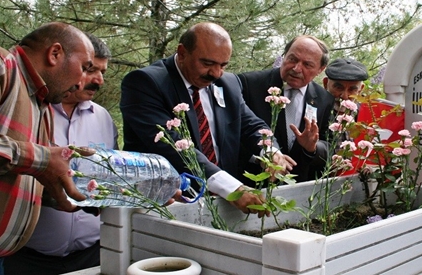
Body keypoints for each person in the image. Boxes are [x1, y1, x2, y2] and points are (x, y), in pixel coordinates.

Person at [121, 22, 294, 217]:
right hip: (165, 205)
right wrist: (233, 189)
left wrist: (269, 151)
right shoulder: (146, 83)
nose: (216, 74)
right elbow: (173, 146)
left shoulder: (228, 83)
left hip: (221, 206)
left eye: (223, 65)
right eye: (207, 63)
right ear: (182, 52)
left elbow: (250, 124)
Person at [0, 22, 94, 273]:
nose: (81, 83)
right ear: (55, 53)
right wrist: (42, 159)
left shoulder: (42, 105)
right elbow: (35, 160)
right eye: (83, 68)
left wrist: (76, 193)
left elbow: (21, 170)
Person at [3, 33, 117, 274]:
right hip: (27, 257)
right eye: (90, 69)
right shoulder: (31, 107)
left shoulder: (104, 118)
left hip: (92, 255)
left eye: (103, 72)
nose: (98, 80)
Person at [238, 35, 335, 183]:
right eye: (292, 59)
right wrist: (262, 158)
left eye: (307, 65)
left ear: (321, 69)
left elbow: (330, 145)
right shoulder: (249, 84)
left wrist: (313, 147)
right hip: (251, 182)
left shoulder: (324, 99)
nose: (296, 69)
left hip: (297, 186)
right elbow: (232, 134)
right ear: (284, 56)